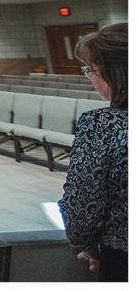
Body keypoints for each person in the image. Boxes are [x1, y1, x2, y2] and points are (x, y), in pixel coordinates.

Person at [59, 23, 127, 282]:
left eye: (90, 70)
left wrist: (84, 244)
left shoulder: (102, 125)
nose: (89, 76)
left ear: (116, 73)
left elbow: (83, 201)